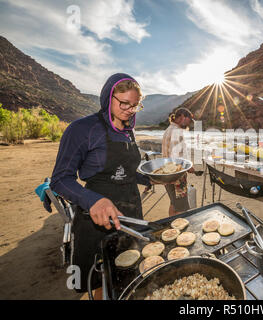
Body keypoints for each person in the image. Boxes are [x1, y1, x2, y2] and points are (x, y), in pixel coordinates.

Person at [50, 73, 152, 298]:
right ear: (108, 97)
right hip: (94, 216)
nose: (129, 109)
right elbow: (60, 179)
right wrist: (92, 200)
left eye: (135, 105)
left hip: (131, 213)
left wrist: (151, 178)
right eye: (123, 103)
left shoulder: (128, 131)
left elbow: (125, 171)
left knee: (127, 274)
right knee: (97, 281)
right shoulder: (82, 129)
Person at [161, 108, 195, 216]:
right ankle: (179, 231)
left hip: (166, 175)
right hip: (177, 177)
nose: (188, 123)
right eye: (188, 120)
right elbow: (176, 156)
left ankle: (171, 227)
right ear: (182, 117)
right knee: (182, 208)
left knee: (174, 203)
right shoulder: (177, 132)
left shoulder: (169, 129)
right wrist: (188, 166)